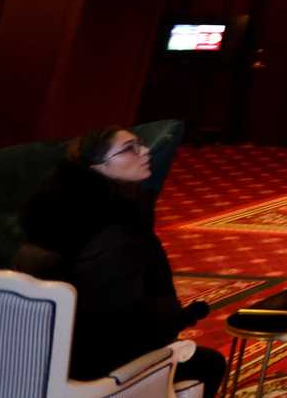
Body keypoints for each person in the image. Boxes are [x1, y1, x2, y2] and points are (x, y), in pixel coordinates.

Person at [18, 126, 227, 396]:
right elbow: (117, 320)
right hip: (95, 365)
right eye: (130, 148)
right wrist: (176, 320)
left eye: (140, 144)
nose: (145, 151)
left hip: (43, 356)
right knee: (208, 364)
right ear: (98, 166)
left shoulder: (56, 213)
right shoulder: (115, 230)